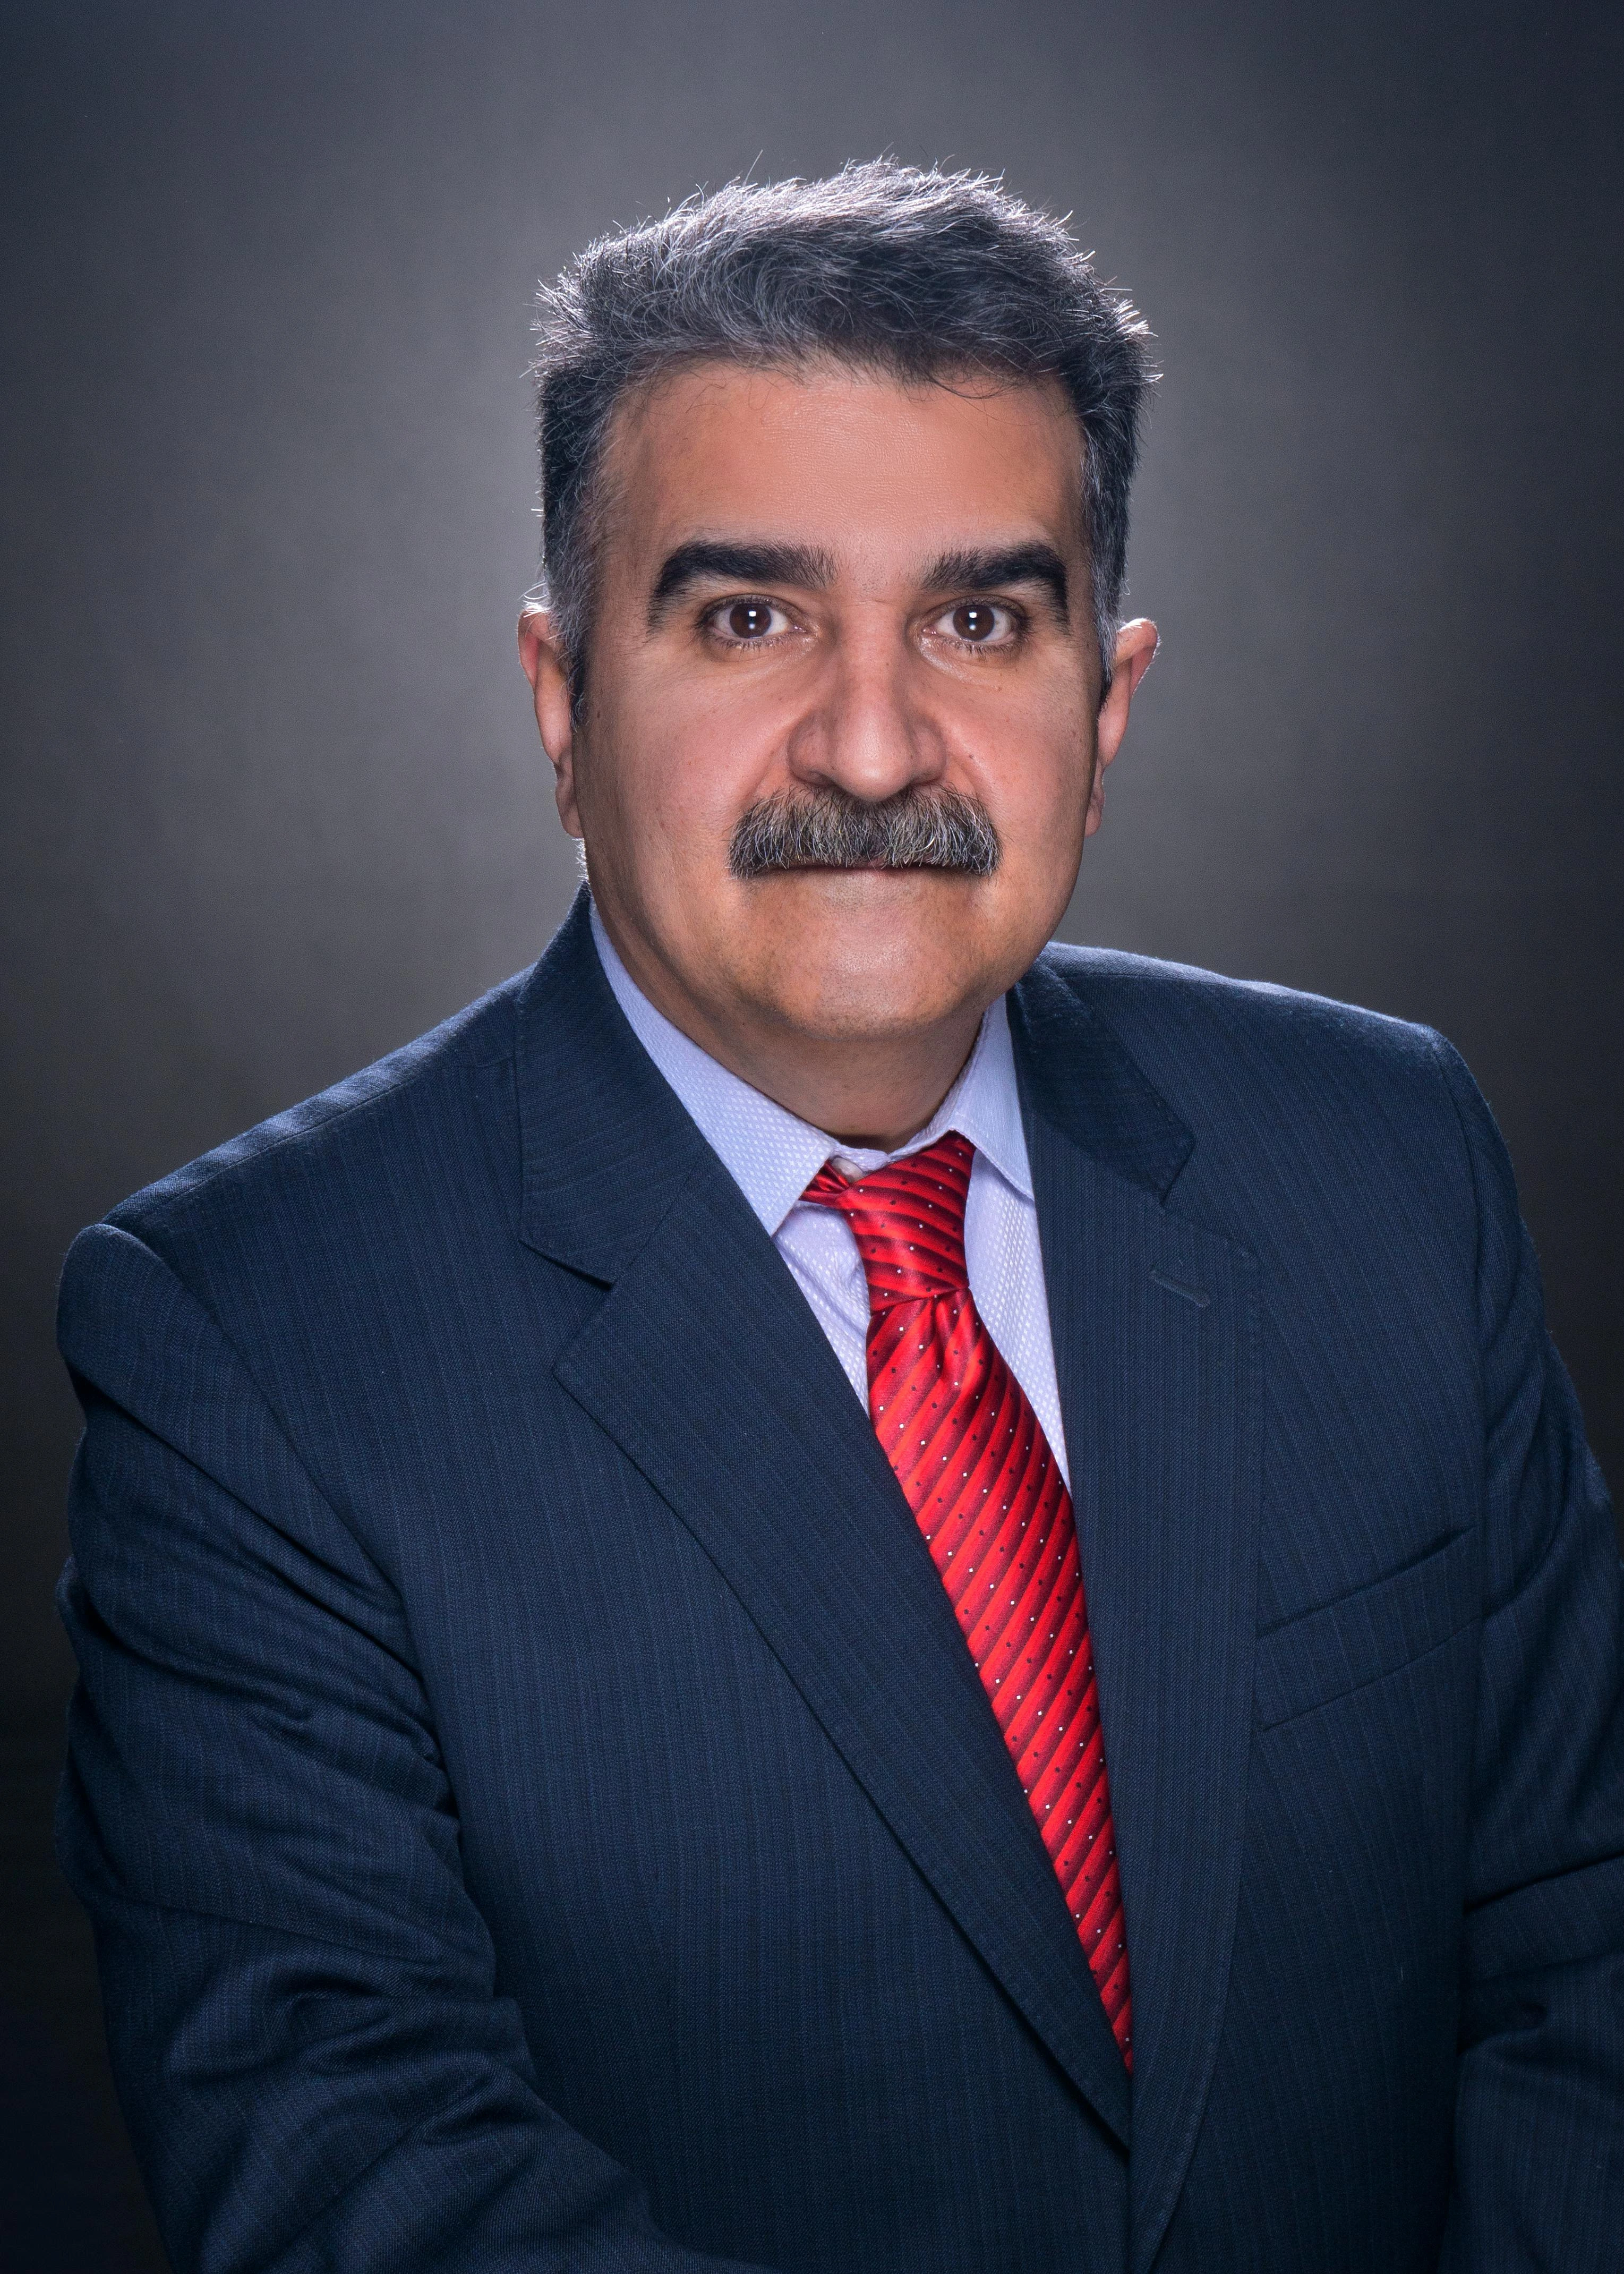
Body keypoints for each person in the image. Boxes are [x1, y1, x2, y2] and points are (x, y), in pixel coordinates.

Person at [55, 161, 1623, 2274]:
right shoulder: (244, 1342)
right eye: (746, 616)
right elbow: (366, 2177)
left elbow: (1581, 1940)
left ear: (1107, 700)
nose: (873, 745)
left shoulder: (1378, 1159)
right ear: (558, 694)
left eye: (979, 618)